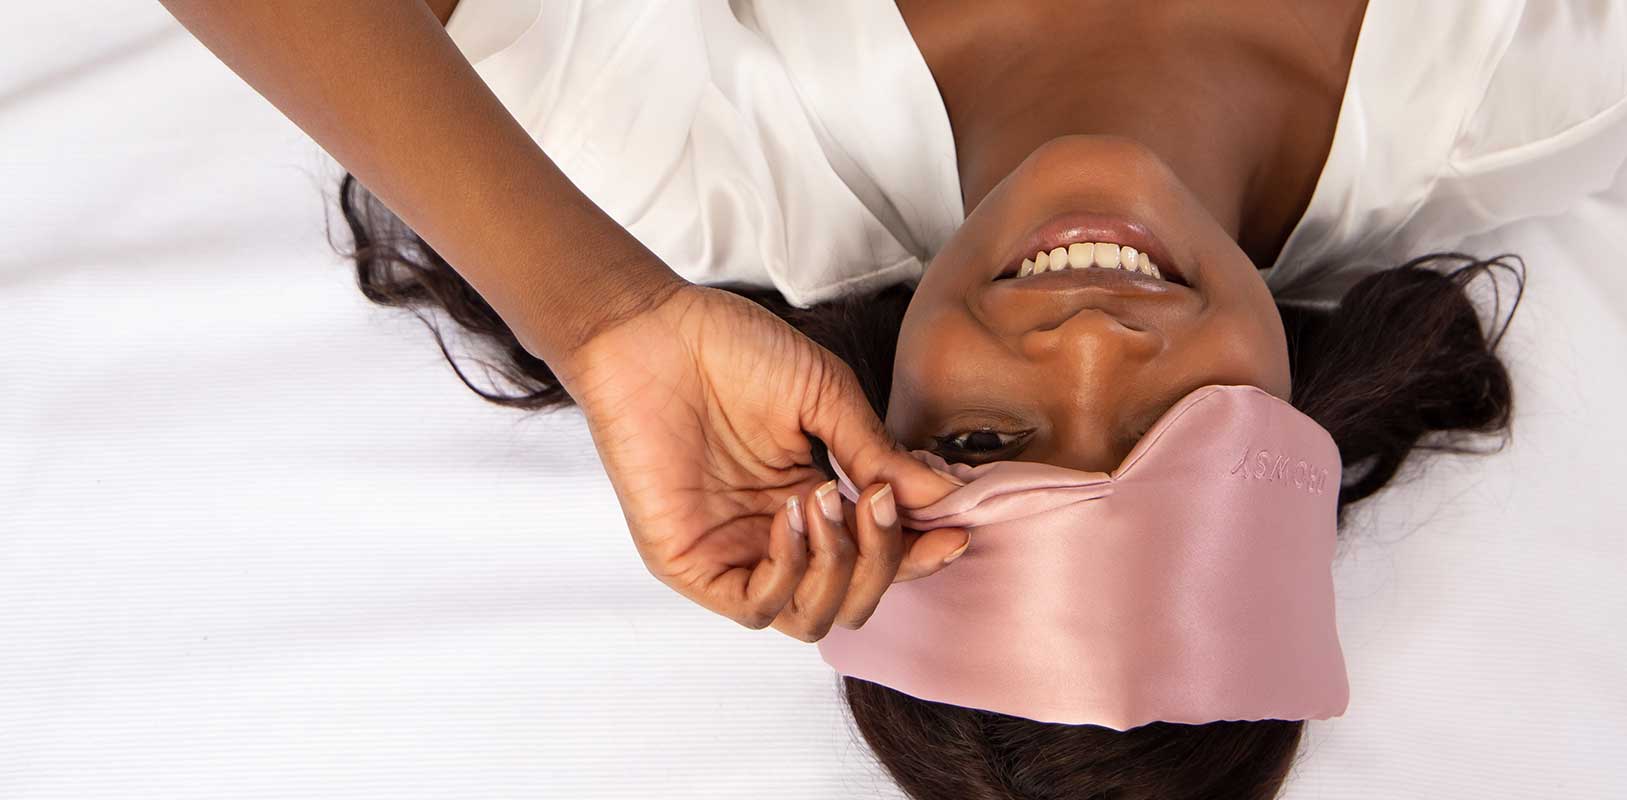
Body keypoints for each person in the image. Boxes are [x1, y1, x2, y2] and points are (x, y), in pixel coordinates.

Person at [164, 0, 1545, 796]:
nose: (1086, 346)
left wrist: (605, 319)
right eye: (1169, 438)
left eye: (986, 442)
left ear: (880, 417)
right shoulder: (1533, 83)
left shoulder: (696, 163)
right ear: (1301, 431)